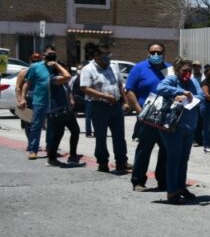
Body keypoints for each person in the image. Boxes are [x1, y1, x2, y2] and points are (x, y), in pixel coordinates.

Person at [154, 58, 202, 203]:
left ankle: (181, 187)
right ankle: (172, 191)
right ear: (177, 71)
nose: (188, 73)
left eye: (189, 71)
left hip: (189, 127)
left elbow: (201, 95)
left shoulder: (193, 81)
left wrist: (190, 96)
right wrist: (181, 91)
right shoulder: (172, 80)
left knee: (183, 159)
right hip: (173, 127)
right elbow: (160, 88)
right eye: (184, 71)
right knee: (174, 159)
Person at [125, 42, 172, 192]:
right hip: (147, 116)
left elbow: (175, 88)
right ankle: (138, 181)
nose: (156, 55)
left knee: (166, 150)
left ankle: (163, 180)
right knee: (144, 150)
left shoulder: (169, 69)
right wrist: (139, 111)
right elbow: (129, 91)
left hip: (165, 116)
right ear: (148, 53)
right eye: (153, 52)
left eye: (159, 52)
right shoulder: (139, 68)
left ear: (164, 53)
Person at [79, 44, 131, 173]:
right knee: (101, 137)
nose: (107, 58)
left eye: (109, 55)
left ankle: (121, 162)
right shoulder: (88, 69)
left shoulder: (114, 67)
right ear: (96, 56)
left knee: (119, 136)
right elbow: (85, 88)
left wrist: (125, 101)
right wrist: (104, 96)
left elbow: (119, 85)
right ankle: (103, 162)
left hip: (116, 106)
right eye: (104, 55)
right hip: (99, 106)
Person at [19, 46, 57, 160]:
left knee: (53, 127)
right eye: (49, 54)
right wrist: (22, 98)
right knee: (36, 126)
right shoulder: (35, 67)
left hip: (54, 102)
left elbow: (66, 79)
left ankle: (51, 149)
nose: (51, 56)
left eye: (53, 54)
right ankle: (32, 150)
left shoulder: (57, 67)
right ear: (44, 55)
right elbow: (27, 83)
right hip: (39, 101)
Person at [41, 51, 75, 166]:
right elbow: (68, 76)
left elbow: (67, 87)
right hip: (56, 111)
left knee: (75, 131)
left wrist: (71, 100)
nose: (66, 69)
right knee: (57, 135)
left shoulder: (61, 80)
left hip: (65, 110)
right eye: (64, 68)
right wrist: (57, 65)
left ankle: (72, 156)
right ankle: (51, 158)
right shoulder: (53, 79)